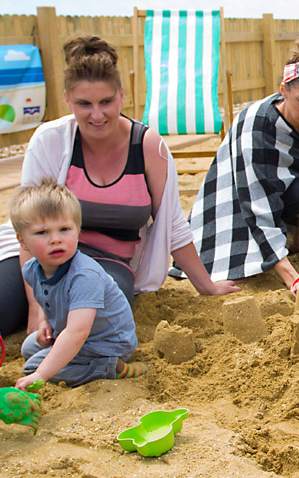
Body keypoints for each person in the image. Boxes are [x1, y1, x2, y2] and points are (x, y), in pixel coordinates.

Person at [0, 35, 240, 338]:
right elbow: (26, 223)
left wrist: (206, 285)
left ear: (122, 96)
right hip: (38, 254)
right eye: (84, 104)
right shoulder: (49, 140)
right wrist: (36, 306)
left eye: (106, 102)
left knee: (94, 322)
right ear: (67, 100)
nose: (97, 115)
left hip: (108, 264)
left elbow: (172, 223)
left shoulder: (149, 146)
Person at [170, 27, 299, 292]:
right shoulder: (257, 125)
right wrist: (291, 276)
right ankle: (280, 244)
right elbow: (255, 204)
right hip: (239, 201)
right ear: (283, 92)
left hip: (280, 188)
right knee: (298, 192)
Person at [9, 182, 141, 389]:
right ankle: (81, 362)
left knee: (34, 365)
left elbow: (77, 332)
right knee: (29, 347)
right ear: (23, 241)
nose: (55, 239)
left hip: (107, 343)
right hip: (71, 332)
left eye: (64, 229)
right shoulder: (31, 269)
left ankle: (108, 367)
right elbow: (45, 297)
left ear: (78, 231)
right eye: (42, 232)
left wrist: (41, 373)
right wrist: (45, 323)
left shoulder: (84, 276)